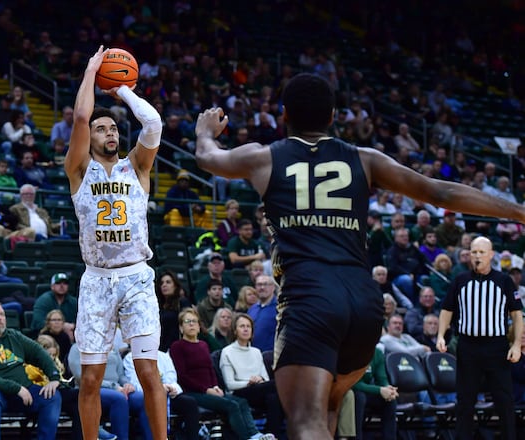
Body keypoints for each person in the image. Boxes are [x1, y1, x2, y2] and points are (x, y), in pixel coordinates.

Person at [193, 72, 525, 439]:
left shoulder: (263, 157)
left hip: (310, 299)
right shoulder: (365, 160)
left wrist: (206, 131)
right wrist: (518, 212)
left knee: (306, 422)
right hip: (364, 305)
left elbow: (208, 158)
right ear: (334, 116)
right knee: (330, 406)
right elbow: (441, 193)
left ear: (283, 114)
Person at [64, 46, 166, 440]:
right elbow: (81, 116)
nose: (110, 133)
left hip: (137, 278)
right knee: (90, 379)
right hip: (96, 281)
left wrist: (122, 90)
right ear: (89, 137)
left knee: (147, 371)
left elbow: (153, 122)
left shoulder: (137, 165)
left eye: (114, 128)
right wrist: (92, 73)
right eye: (102, 128)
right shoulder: (79, 170)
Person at [437, 236, 523, 440]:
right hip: (468, 346)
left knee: (504, 400)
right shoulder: (460, 280)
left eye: (482, 252)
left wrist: (517, 344)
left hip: (497, 346)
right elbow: (446, 309)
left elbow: (517, 315)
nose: (477, 256)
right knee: (465, 402)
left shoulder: (504, 281)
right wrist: (441, 335)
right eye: (474, 252)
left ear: (491, 255)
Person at [0, 301, 62, 440]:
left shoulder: (13, 336)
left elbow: (38, 351)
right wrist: (16, 388)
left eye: (2, 314)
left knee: (51, 396)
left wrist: (54, 377)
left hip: (19, 394)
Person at [169, 308, 269, 440]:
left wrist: (215, 386)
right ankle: (247, 437)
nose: (191, 324)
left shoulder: (203, 345)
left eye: (194, 321)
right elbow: (182, 376)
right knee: (231, 405)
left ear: (199, 327)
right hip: (192, 392)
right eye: (187, 322)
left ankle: (255, 434)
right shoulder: (177, 346)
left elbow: (210, 369)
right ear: (181, 328)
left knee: (242, 402)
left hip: (210, 390)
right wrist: (206, 389)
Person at [69, 341, 153, 440]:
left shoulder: (112, 346)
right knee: (118, 398)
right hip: (92, 390)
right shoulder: (77, 348)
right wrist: (113, 386)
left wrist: (127, 384)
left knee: (142, 398)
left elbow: (121, 374)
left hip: (118, 388)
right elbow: (81, 377)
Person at [220, 313, 285, 438]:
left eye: (248, 326)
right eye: (242, 326)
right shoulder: (227, 352)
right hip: (240, 391)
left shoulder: (256, 352)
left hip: (259, 390)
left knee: (274, 398)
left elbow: (265, 378)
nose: (245, 329)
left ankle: (271, 435)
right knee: (277, 385)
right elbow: (230, 384)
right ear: (235, 330)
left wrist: (259, 379)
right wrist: (249, 382)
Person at [351, 346, 398, 440]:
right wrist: (380, 390)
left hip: (366, 391)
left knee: (389, 400)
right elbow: (354, 383)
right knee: (359, 397)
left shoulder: (377, 353)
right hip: (349, 391)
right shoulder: (352, 351)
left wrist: (388, 388)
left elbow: (382, 379)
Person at [32, 273, 78, 339]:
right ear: (52, 286)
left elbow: (82, 322)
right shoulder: (43, 300)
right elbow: (38, 323)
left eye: (65, 283)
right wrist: (62, 326)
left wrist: (73, 326)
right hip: (45, 335)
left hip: (67, 335)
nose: (62, 286)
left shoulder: (73, 302)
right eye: (58, 283)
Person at [156, 270, 192, 352]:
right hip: (160, 349)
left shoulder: (182, 303)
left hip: (179, 349)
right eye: (162, 283)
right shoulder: (157, 306)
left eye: (168, 282)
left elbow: (189, 323)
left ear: (175, 286)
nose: (164, 285)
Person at [247, 274, 278, 352]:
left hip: (271, 356)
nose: (262, 287)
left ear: (273, 287)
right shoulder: (252, 309)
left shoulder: (279, 308)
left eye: (265, 284)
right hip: (253, 355)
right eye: (259, 284)